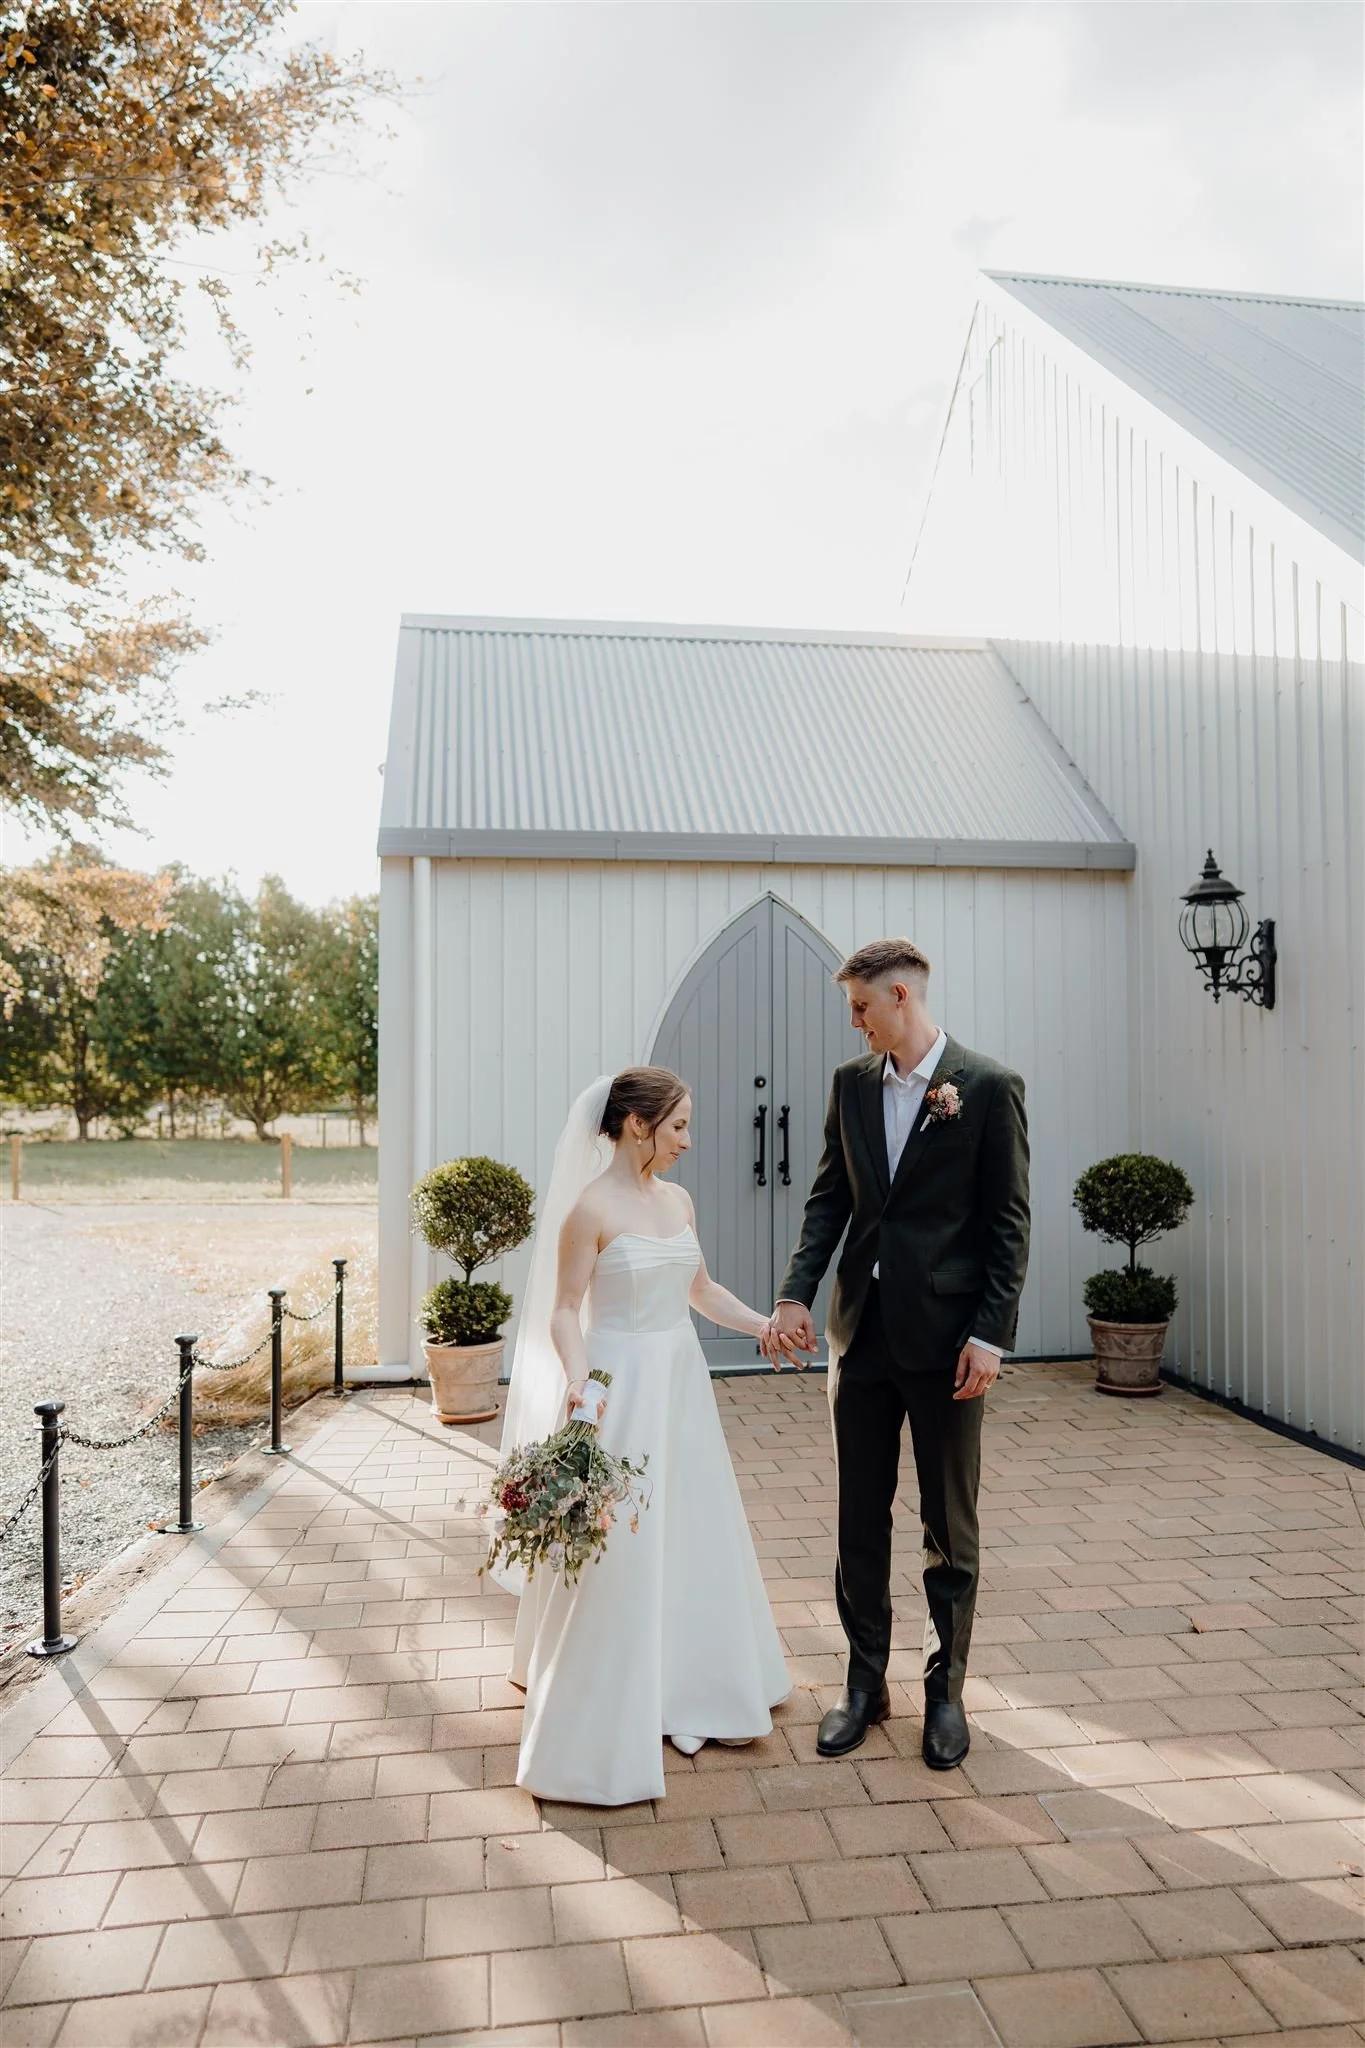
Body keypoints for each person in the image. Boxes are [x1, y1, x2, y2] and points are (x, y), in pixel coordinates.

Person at [500, 1067, 790, 1807]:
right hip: (621, 1384)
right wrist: (578, 1378)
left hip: (680, 1382)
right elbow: (565, 1309)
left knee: (691, 1526)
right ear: (638, 1125)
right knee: (624, 1539)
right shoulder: (589, 1209)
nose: (688, 1141)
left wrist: (764, 1325)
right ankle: (611, 1697)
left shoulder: (677, 1201)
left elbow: (699, 1290)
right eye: (680, 1126)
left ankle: (698, 1678)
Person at [773, 938, 1030, 1770]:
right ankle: (863, 1684)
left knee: (947, 1527)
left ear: (897, 997)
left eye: (858, 1006)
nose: (851, 1021)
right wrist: (793, 1294)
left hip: (951, 1343)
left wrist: (990, 1334)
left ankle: (945, 1695)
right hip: (862, 1336)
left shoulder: (986, 1088)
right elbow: (828, 1199)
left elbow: (1006, 1224)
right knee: (858, 1516)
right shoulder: (851, 1085)